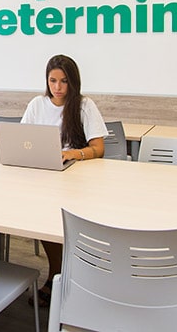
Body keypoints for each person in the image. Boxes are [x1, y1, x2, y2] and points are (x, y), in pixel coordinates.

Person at [20, 54, 106, 306]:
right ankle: (58, 273)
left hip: (76, 174)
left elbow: (98, 148)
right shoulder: (37, 104)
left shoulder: (84, 105)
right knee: (43, 215)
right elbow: (24, 137)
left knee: (59, 217)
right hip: (44, 173)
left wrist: (73, 153)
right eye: (52, 81)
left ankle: (68, 276)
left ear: (73, 82)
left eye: (63, 81)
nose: (57, 88)